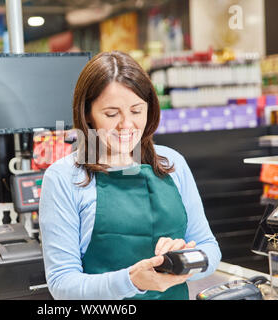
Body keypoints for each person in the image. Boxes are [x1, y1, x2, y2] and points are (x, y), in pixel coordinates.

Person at [39, 51, 221, 300]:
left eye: (136, 111)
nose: (127, 125)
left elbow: (210, 250)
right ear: (87, 114)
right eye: (112, 114)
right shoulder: (63, 177)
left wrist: (184, 260)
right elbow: (62, 284)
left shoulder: (172, 163)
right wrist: (132, 281)